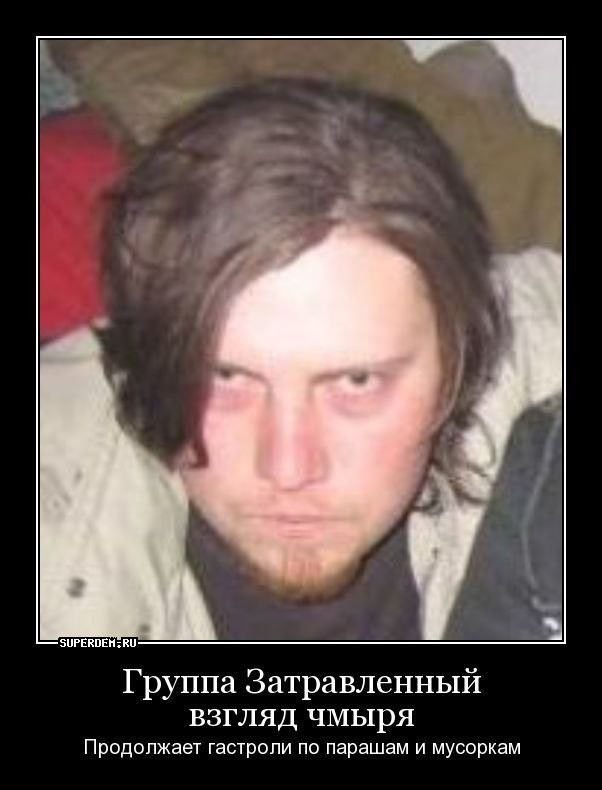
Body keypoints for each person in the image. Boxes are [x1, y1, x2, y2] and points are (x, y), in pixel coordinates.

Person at [39, 77, 562, 641]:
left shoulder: (534, 353)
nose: (288, 469)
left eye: (357, 381)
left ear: (459, 356)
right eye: (225, 376)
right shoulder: (58, 494)